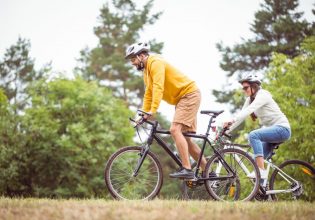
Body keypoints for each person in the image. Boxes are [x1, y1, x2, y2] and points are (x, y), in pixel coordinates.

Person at [125, 42, 207, 179]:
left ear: (142, 56)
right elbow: (148, 93)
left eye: (133, 59)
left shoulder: (155, 62)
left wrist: (153, 110)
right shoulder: (146, 71)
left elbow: (158, 87)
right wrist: (144, 113)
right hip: (183, 99)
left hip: (189, 95)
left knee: (175, 130)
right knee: (186, 139)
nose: (132, 63)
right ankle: (208, 171)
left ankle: (187, 169)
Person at [223, 73, 291, 179]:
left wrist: (231, 120)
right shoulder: (249, 99)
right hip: (272, 132)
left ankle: (261, 172)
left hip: (282, 129)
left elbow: (249, 110)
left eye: (246, 88)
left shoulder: (263, 95)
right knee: (256, 160)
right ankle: (263, 188)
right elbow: (241, 116)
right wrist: (226, 131)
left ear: (254, 86)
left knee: (253, 135)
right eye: (243, 88)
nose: (244, 90)